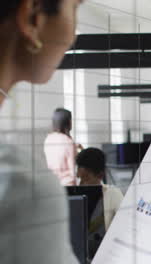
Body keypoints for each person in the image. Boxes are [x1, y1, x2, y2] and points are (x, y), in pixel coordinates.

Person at [0, 0, 83, 263]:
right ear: (33, 17)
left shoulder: (47, 143)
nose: (74, 36)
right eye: (75, 8)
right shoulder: (22, 188)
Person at [76, 147, 124, 230]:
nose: (81, 184)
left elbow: (124, 223)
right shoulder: (75, 196)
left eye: (86, 178)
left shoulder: (112, 194)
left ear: (100, 175)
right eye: (79, 178)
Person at [44, 107, 83, 186]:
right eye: (71, 120)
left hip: (52, 183)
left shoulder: (48, 139)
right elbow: (72, 170)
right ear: (67, 122)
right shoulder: (68, 142)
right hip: (67, 184)